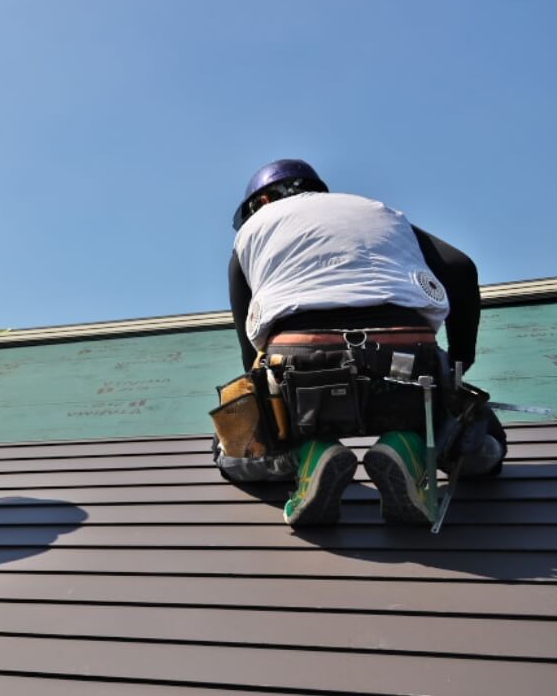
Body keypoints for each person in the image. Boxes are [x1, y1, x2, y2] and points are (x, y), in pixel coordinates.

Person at [215, 159, 506, 527]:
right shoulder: (379, 213)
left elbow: (250, 356)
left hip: (301, 366)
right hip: (409, 362)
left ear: (260, 202)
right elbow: (460, 267)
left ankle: (308, 455)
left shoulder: (253, 230)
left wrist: (270, 421)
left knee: (235, 450)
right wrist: (461, 364)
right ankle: (409, 448)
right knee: (476, 443)